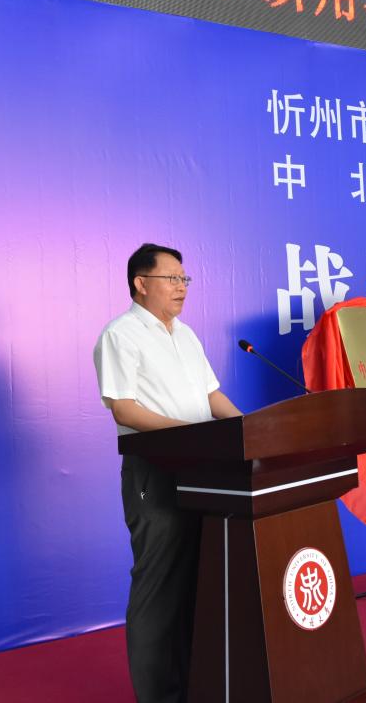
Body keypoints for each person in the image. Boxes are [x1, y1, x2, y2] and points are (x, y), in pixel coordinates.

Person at [93, 243, 240, 703]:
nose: (182, 287)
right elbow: (124, 408)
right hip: (154, 472)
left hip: (202, 468)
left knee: (198, 581)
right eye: (172, 278)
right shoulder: (120, 335)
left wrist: (248, 429)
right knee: (159, 587)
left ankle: (195, 686)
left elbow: (211, 396)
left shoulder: (186, 335)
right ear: (141, 283)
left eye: (184, 279)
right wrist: (191, 434)